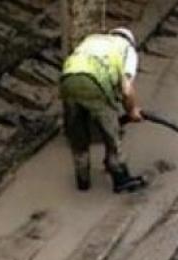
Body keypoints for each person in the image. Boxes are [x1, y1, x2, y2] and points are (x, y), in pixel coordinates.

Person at [60, 27, 148, 194]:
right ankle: (120, 178)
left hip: (68, 80)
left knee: (77, 134)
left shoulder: (92, 39)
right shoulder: (127, 50)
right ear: (131, 41)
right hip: (94, 83)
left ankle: (83, 181)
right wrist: (132, 111)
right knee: (112, 133)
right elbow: (127, 89)